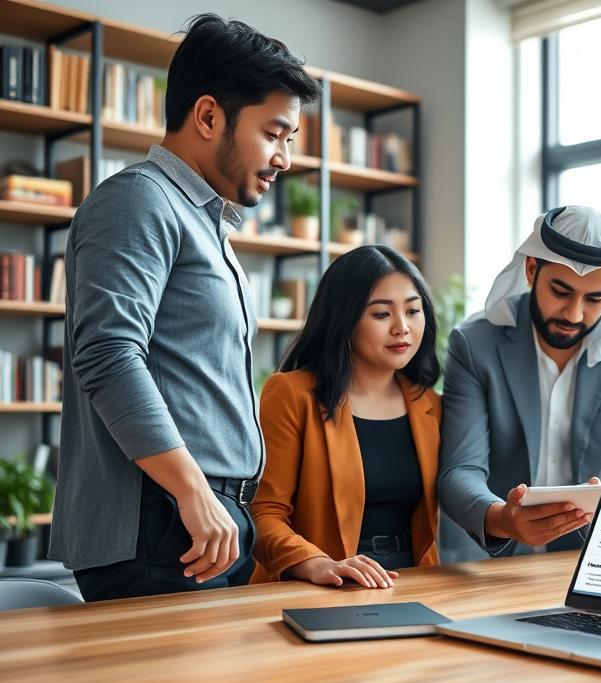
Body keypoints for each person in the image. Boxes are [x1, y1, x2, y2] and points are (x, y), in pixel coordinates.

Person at [49, 14, 322, 601]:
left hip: (205, 517)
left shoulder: (204, 221)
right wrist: (193, 491)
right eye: (274, 134)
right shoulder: (138, 200)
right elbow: (107, 354)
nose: (284, 159)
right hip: (164, 518)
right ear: (207, 116)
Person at [439, 205, 601, 557]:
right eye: (561, 291)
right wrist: (503, 519)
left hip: (588, 557)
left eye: (595, 298)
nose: (574, 314)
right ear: (531, 270)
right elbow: (460, 470)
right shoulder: (474, 345)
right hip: (489, 562)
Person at [250, 246, 442, 588]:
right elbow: (264, 512)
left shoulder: (429, 403)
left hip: (412, 579)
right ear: (344, 318)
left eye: (413, 311)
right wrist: (315, 563)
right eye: (381, 315)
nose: (403, 328)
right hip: (317, 580)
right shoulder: (292, 394)